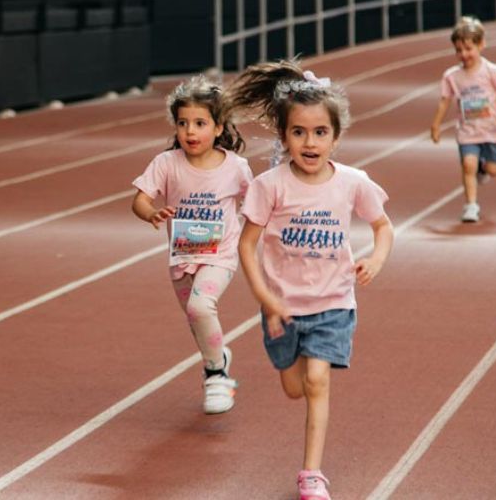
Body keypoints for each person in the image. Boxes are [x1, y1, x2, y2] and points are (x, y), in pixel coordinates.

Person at [230, 59, 394, 500]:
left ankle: (311, 473)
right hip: (282, 307)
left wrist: (376, 258)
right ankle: (290, 362)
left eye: (320, 132)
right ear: (284, 137)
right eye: (299, 132)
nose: (310, 142)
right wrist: (264, 296)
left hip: (334, 303)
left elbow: (383, 227)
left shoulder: (353, 182)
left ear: (336, 137)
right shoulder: (270, 185)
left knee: (318, 381)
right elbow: (247, 245)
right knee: (292, 388)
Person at [131, 75, 253, 414]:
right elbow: (140, 200)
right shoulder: (166, 163)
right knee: (195, 317)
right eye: (183, 123)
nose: (190, 131)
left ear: (218, 127)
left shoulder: (236, 167)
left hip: (220, 255)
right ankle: (218, 355)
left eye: (200, 123)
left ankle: (217, 376)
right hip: (182, 256)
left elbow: (255, 202)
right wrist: (151, 213)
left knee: (200, 307)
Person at [430, 16, 496, 222]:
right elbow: (444, 101)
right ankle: (471, 206)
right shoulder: (452, 76)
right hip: (468, 132)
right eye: (459, 50)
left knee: (493, 169)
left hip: (492, 130)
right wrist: (436, 125)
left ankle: (483, 169)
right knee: (468, 165)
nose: (464, 54)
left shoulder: (492, 71)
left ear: (481, 45)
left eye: (468, 49)